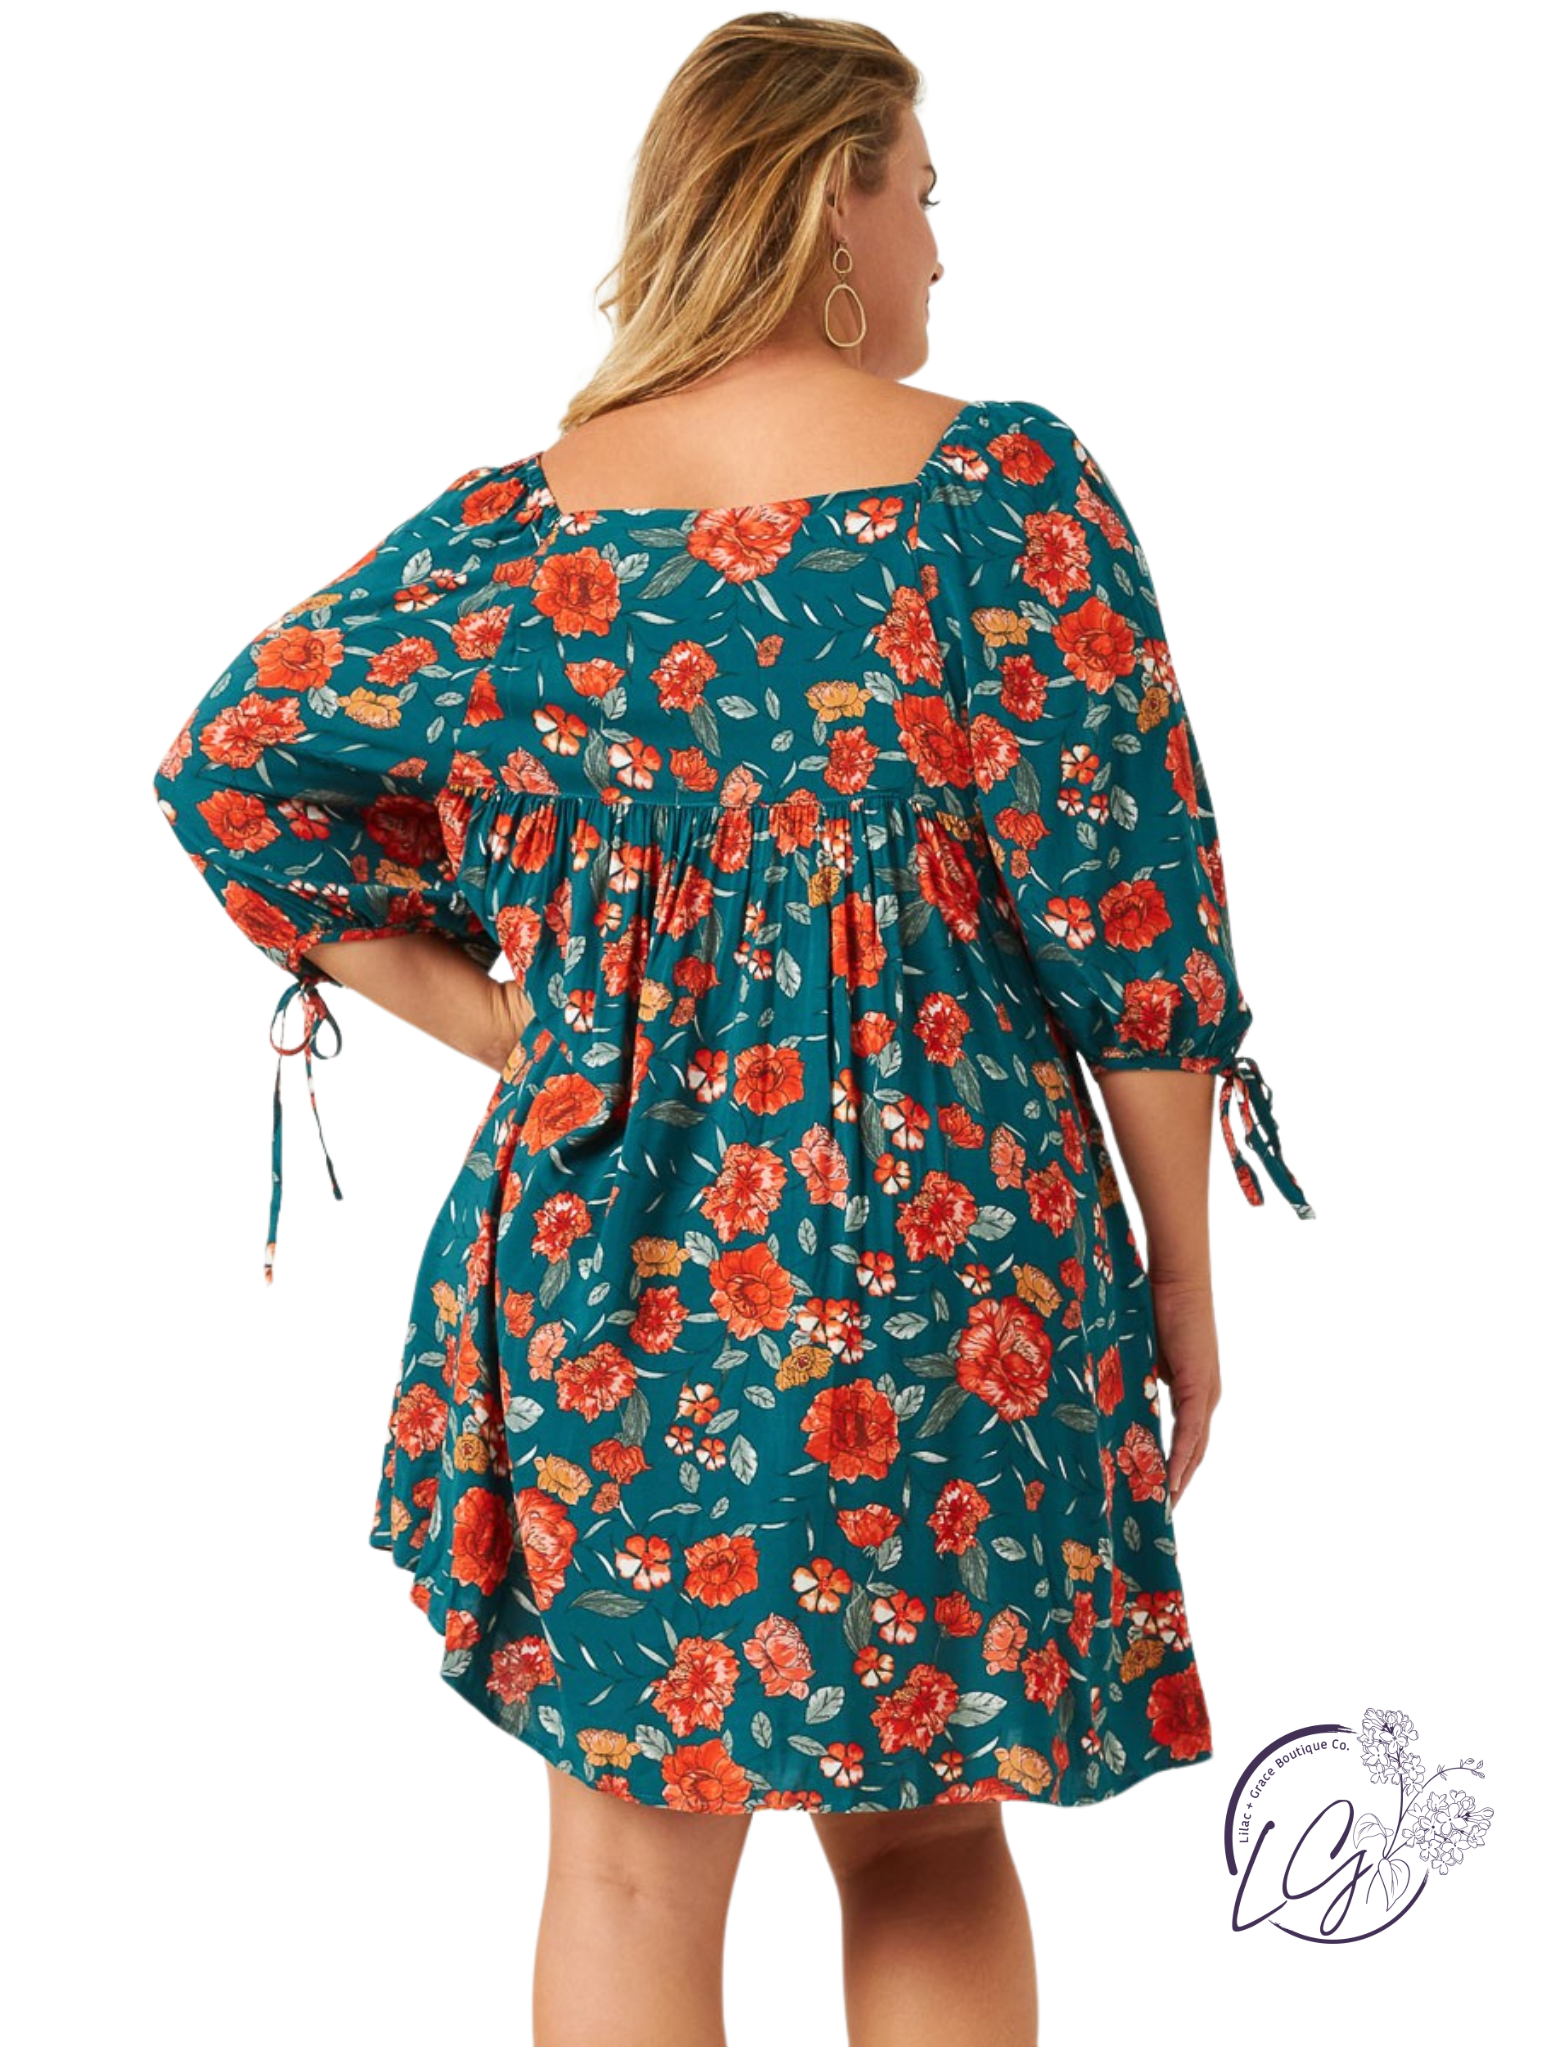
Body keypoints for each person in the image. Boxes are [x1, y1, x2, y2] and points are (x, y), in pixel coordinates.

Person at [149, 12, 1313, 2045]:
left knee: (625, 1859)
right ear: (828, 205)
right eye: (922, 195)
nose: (941, 246)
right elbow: (1127, 922)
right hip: (952, 1252)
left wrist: (516, 1028)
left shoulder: (521, 537)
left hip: (607, 1266)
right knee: (927, 1835)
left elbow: (230, 768)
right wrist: (1180, 1280)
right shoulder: (998, 492)